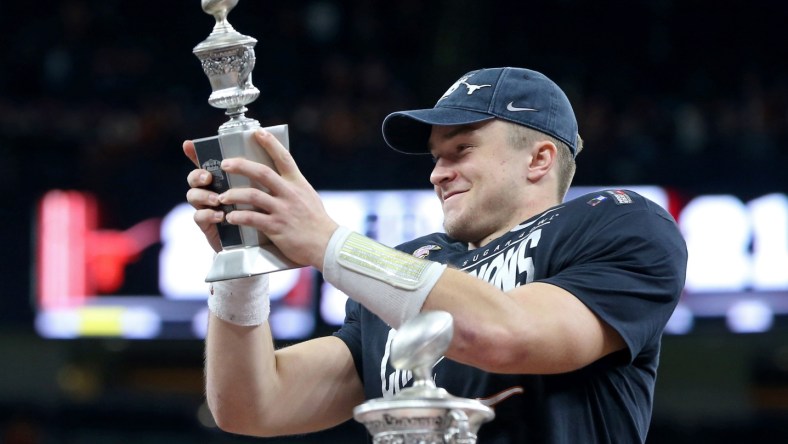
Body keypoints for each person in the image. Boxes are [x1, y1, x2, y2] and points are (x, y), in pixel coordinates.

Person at [183, 67, 688, 443]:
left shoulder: (615, 223)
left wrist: (326, 241)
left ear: (539, 158)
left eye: (461, 150)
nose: (437, 173)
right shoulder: (413, 264)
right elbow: (253, 406)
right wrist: (241, 263)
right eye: (435, 157)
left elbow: (506, 335)